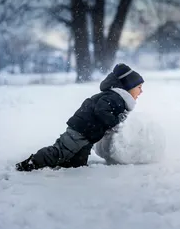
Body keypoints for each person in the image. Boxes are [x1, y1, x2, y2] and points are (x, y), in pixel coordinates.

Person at [15, 63, 144, 171]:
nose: (141, 91)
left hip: (88, 135)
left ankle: (66, 164)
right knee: (59, 152)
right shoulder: (114, 97)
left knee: (77, 164)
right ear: (128, 87)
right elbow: (101, 110)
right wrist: (115, 122)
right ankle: (31, 163)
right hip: (80, 130)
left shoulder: (117, 98)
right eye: (139, 87)